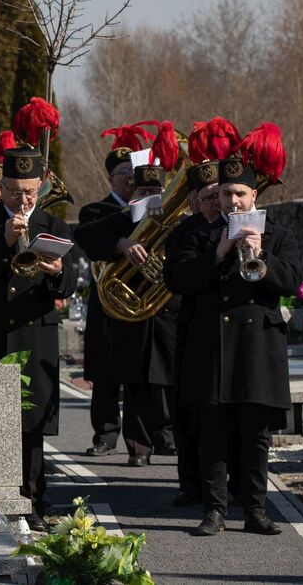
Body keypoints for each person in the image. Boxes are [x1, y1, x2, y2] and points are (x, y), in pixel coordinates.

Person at [169, 155, 299, 537]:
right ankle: (214, 510)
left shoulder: (278, 234)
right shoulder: (197, 236)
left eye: (240, 193)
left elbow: (290, 282)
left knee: (257, 434)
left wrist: (261, 256)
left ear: (253, 195)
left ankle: (256, 509)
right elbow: (178, 280)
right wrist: (218, 254)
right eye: (226, 194)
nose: (232, 201)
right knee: (213, 431)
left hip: (258, 347)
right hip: (213, 346)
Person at [0, 146, 78, 531]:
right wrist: (3, 243)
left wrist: (58, 271)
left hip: (34, 336)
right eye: (13, 191)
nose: (21, 199)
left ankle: (33, 502)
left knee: (31, 427)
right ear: (1, 185)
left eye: (28, 191)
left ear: (39, 186)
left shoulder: (53, 225)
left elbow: (72, 284)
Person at [76, 163, 180, 466]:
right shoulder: (119, 220)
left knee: (167, 379)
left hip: (164, 312)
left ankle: (169, 437)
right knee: (134, 380)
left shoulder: (175, 221)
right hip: (129, 312)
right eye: (143, 192)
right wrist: (121, 244)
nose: (149, 197)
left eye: (155, 192)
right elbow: (84, 235)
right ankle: (138, 448)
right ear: (133, 195)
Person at [163, 160, 221, 506]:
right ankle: (191, 483)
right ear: (194, 201)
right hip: (191, 328)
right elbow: (178, 280)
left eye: (221, 195)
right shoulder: (183, 233)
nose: (216, 202)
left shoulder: (238, 227)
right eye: (209, 196)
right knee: (189, 410)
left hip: (227, 332)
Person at [73, 148, 134, 457]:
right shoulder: (97, 210)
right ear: (110, 177)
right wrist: (119, 244)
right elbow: (85, 236)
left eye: (132, 170)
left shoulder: (151, 208)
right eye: (123, 171)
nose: (129, 176)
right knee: (105, 374)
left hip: (142, 304)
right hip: (109, 303)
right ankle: (106, 436)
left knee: (144, 373)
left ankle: (150, 438)